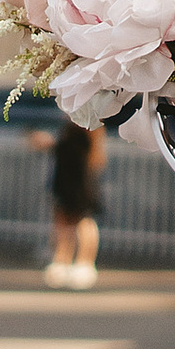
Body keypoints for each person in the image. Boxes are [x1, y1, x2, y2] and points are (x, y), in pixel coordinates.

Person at [45, 110, 103, 286]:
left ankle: (84, 262)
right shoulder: (70, 130)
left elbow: (90, 155)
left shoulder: (87, 130)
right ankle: (61, 260)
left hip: (80, 183)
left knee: (84, 222)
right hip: (66, 181)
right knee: (63, 223)